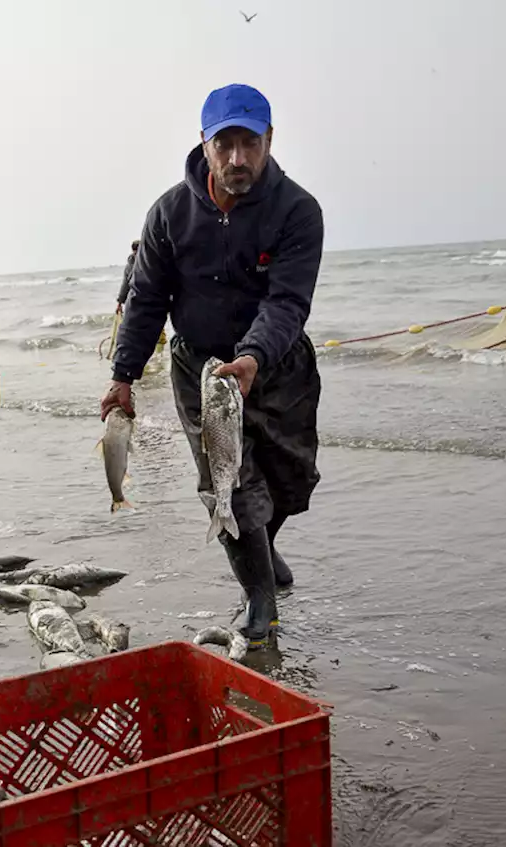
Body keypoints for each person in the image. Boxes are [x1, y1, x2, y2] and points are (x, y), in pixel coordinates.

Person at [101, 84, 323, 650]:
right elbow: (147, 300)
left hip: (276, 362)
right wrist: (123, 377)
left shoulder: (298, 211)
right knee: (228, 481)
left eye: (250, 143)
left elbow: (287, 302)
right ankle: (259, 599)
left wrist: (252, 356)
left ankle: (261, 543)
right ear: (204, 143)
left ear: (270, 140)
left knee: (289, 480)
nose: (238, 159)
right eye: (225, 144)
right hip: (200, 367)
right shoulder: (169, 214)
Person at [116, 240, 139, 314]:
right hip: (135, 301)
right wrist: (119, 303)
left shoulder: (150, 263)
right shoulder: (129, 267)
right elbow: (125, 285)